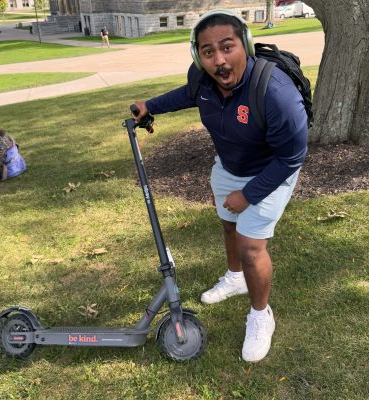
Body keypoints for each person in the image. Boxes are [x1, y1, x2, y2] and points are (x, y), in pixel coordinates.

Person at [132, 9, 307, 362]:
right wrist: (149, 105)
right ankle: (235, 278)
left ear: (244, 45)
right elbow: (187, 94)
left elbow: (291, 157)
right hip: (229, 166)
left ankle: (261, 316)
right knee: (229, 226)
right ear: (199, 56)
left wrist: (250, 194)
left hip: (272, 170)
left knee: (250, 244)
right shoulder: (202, 79)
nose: (219, 60)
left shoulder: (276, 92)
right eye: (208, 52)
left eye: (227, 47)